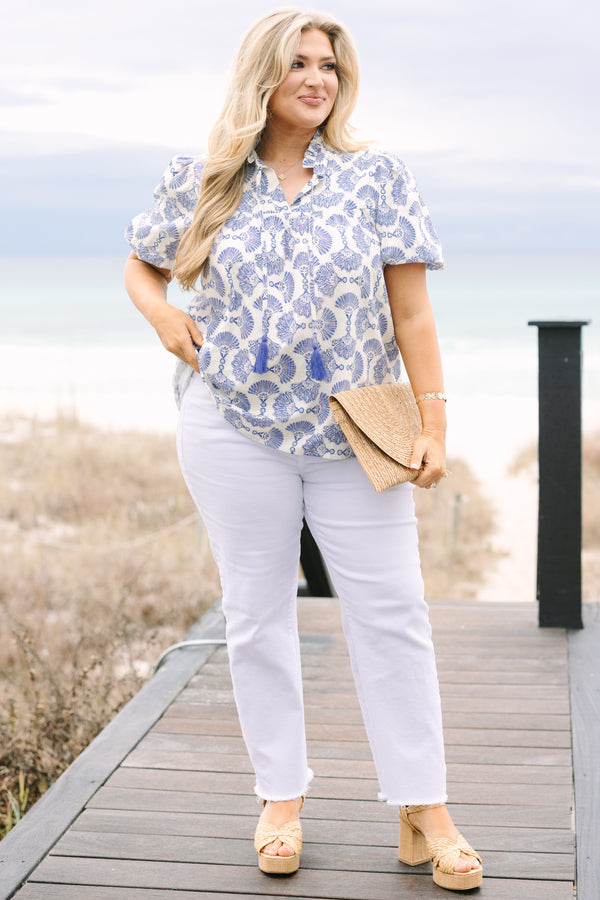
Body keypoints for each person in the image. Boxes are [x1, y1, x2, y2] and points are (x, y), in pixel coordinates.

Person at [124, 8, 483, 891]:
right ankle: (280, 797)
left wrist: (433, 423)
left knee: (393, 613)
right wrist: (167, 315)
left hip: (355, 424)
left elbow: (412, 314)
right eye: (299, 64)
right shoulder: (206, 178)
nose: (318, 78)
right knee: (256, 615)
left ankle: (423, 806)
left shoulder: (376, 178)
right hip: (230, 424)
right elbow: (141, 263)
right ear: (263, 76)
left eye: (329, 65)